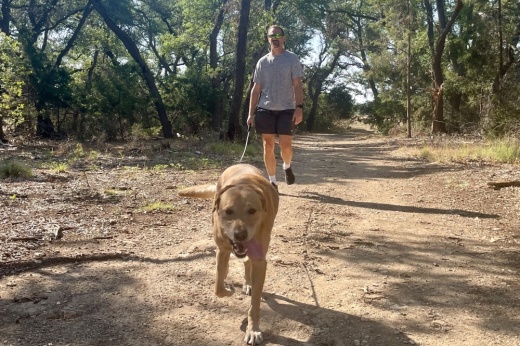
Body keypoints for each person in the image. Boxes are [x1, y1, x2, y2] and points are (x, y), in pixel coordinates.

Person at [247, 25, 304, 192]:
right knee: (268, 145)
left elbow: (297, 85)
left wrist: (299, 107)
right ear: (268, 39)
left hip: (287, 108)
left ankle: (287, 166)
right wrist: (250, 114)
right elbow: (256, 89)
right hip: (265, 108)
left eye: (278, 34)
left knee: (285, 146)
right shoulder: (262, 62)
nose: (275, 37)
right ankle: (272, 182)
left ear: (284, 38)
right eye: (272, 35)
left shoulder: (292, 59)